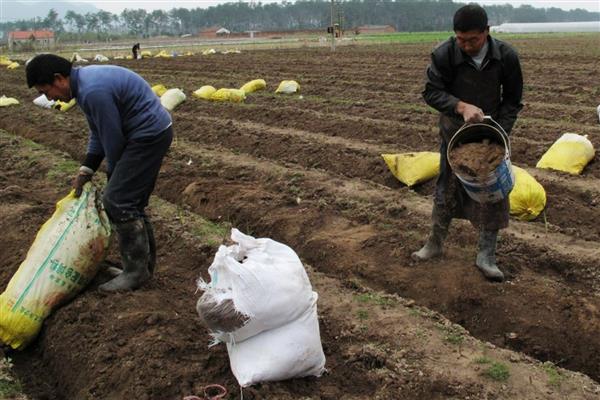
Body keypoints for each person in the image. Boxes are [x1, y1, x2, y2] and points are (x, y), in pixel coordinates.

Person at [26, 54, 173, 291]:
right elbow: (98, 133)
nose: (49, 98)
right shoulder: (83, 86)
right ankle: (140, 270)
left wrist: (114, 177)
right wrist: (87, 169)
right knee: (129, 202)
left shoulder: (92, 91)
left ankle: (135, 273)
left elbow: (113, 140)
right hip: (147, 133)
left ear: (59, 79)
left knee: (118, 201)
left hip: (148, 135)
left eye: (46, 91)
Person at [412, 4, 523, 282]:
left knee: (492, 192)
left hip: (489, 138)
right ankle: (434, 244)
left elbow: (512, 100)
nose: (467, 45)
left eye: (473, 39)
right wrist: (460, 106)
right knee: (446, 186)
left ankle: (486, 255)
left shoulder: (506, 57)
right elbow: (431, 91)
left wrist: (500, 133)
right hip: (454, 134)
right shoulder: (444, 53)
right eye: (461, 40)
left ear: (487, 32)